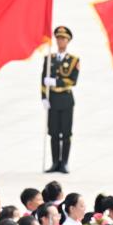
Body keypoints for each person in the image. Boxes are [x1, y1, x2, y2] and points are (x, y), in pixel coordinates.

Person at [42, 26, 79, 174]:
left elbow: (73, 81)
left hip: (65, 99)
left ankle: (64, 162)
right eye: (58, 38)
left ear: (68, 41)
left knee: (66, 133)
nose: (60, 41)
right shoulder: (49, 59)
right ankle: (55, 162)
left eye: (63, 39)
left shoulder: (73, 60)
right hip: (53, 100)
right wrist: (44, 97)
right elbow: (43, 79)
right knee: (54, 133)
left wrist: (56, 83)